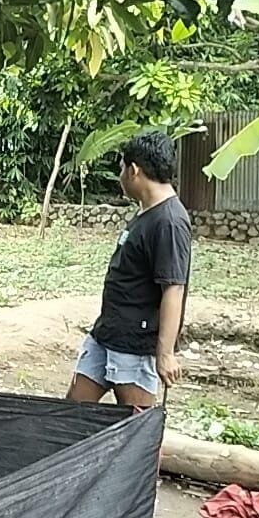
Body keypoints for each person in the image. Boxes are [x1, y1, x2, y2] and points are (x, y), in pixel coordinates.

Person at [68, 131, 191, 407]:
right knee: (72, 415)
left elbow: (173, 289)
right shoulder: (147, 212)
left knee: (137, 431)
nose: (120, 175)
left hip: (134, 346)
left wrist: (165, 353)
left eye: (122, 168)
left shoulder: (169, 222)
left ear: (134, 170)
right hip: (107, 335)